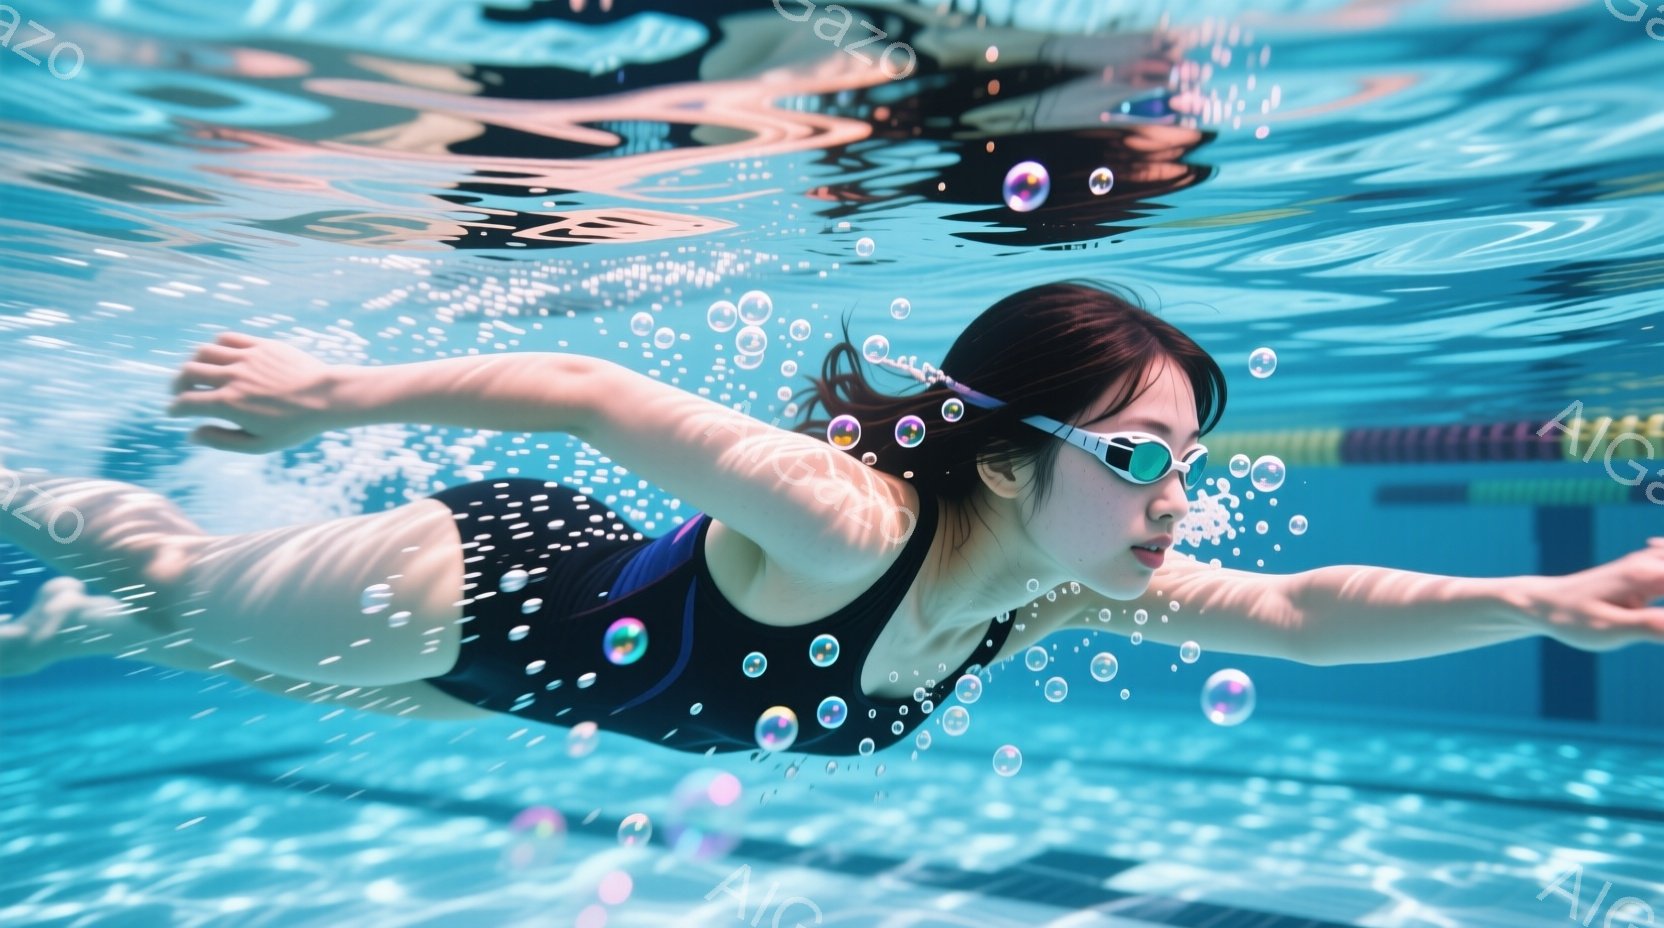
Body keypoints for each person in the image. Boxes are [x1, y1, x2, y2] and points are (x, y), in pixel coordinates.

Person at [2, 282, 1660, 755]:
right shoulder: (854, 523)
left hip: (526, 686)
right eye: (1141, 456)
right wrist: (323, 396)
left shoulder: (1046, 595)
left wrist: (1556, 601)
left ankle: (88, 612)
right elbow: (588, 395)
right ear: (1006, 458)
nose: (1178, 502)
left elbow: (1303, 612)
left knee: (188, 644)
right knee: (171, 578)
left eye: (1187, 463)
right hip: (475, 595)